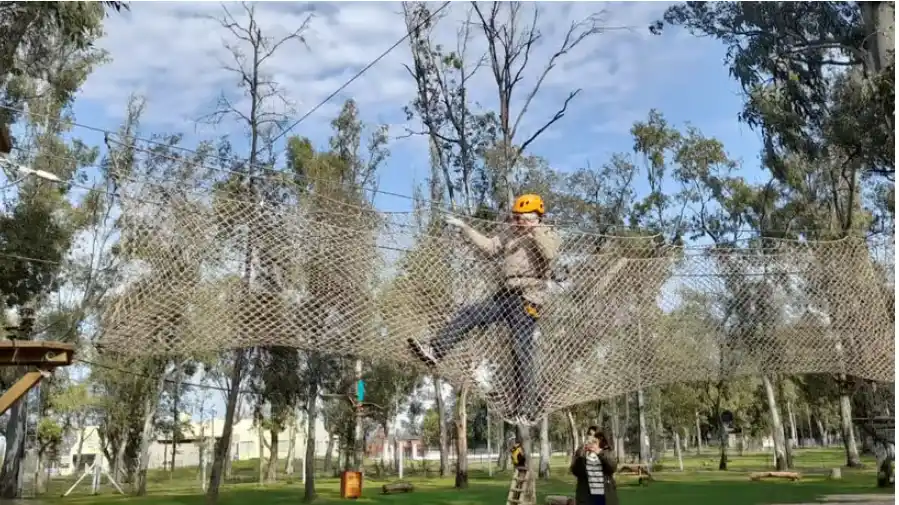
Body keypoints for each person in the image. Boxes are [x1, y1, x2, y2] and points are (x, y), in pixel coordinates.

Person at [407, 194, 560, 417]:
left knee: (520, 350)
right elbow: (489, 247)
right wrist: (465, 228)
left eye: (522, 218)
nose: (517, 222)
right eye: (516, 218)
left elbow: (550, 253)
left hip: (528, 298)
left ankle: (525, 405)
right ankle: (435, 351)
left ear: (537, 217)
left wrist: (533, 229)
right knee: (471, 314)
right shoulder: (511, 233)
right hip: (506, 296)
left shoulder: (547, 233)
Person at [571, 428, 618, 505]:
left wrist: (599, 452)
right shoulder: (581, 451)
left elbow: (612, 467)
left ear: (601, 438)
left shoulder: (607, 451)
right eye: (590, 434)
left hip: (604, 495)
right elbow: (575, 471)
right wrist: (582, 454)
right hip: (586, 496)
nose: (592, 437)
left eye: (595, 435)